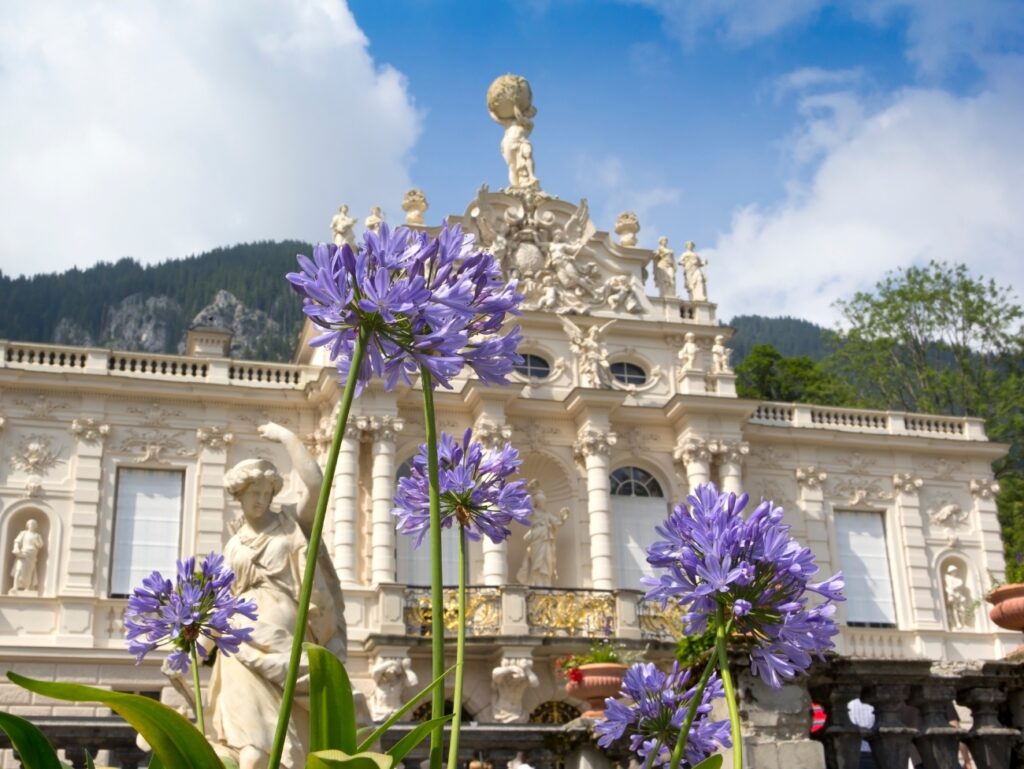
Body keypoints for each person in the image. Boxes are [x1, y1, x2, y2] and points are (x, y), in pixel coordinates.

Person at [208, 422, 346, 769]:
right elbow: (220, 605)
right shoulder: (233, 545)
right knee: (252, 750)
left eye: (266, 492)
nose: (261, 500)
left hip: (288, 643)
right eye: (254, 492)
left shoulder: (291, 523)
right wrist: (192, 651)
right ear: (239, 494)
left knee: (290, 742)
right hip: (239, 643)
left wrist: (287, 437)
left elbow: (316, 486)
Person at [9, 519, 44, 594]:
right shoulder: (23, 533)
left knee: (29, 572)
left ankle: (27, 588)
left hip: (32, 554)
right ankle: (15, 586)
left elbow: (40, 545)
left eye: (33, 524)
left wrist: (36, 541)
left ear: (35, 526)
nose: (31, 525)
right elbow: (17, 541)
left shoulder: (37, 535)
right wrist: (16, 548)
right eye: (30, 524)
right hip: (23, 553)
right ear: (27, 525)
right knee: (18, 569)